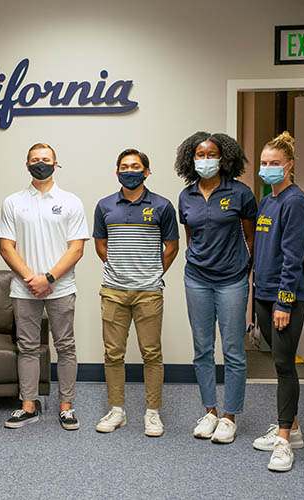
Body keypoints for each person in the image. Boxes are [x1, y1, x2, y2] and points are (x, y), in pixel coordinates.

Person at [0, 143, 88, 430]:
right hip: (24, 289)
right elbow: (6, 248)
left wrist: (47, 278)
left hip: (60, 287)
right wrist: (31, 279)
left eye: (45, 159)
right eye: (35, 160)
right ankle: (28, 406)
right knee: (28, 347)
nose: (40, 163)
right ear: (27, 165)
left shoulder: (71, 201)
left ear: (56, 163)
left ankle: (66, 407)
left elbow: (76, 249)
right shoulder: (13, 202)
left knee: (66, 347)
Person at [175, 132, 256, 444]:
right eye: (199, 154)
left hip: (232, 279)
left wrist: (243, 267)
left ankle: (230, 416)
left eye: (211, 154)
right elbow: (191, 236)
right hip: (196, 278)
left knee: (233, 350)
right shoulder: (187, 196)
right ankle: (210, 411)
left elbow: (250, 236)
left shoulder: (240, 193)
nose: (205, 160)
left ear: (224, 159)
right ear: (190, 159)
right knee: (202, 349)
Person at [93, 148, 179, 437]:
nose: (130, 170)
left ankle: (152, 413)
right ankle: (117, 410)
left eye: (136, 166)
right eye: (125, 166)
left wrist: (151, 273)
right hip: (113, 292)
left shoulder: (162, 206)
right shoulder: (105, 206)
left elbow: (172, 247)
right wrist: (121, 269)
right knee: (113, 354)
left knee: (152, 353)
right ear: (117, 172)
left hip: (148, 293)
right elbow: (101, 246)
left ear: (147, 171)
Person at [251, 131, 304, 472]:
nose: (268, 168)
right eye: (264, 163)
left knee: (284, 365)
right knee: (279, 361)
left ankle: (284, 440)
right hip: (263, 293)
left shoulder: (296, 202)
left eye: (274, 164)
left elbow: (293, 259)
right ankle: (294, 427)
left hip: (284, 297)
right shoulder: (268, 199)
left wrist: (284, 303)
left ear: (289, 165)